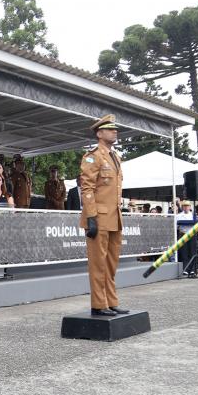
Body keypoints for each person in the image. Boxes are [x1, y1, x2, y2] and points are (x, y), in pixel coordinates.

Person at [79, 115, 128, 316]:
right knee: (98, 263)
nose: (115, 131)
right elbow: (87, 188)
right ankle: (99, 304)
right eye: (110, 129)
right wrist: (91, 217)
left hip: (114, 218)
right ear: (100, 133)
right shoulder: (92, 156)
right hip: (98, 217)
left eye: (115, 129)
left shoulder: (115, 157)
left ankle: (111, 301)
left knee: (111, 263)